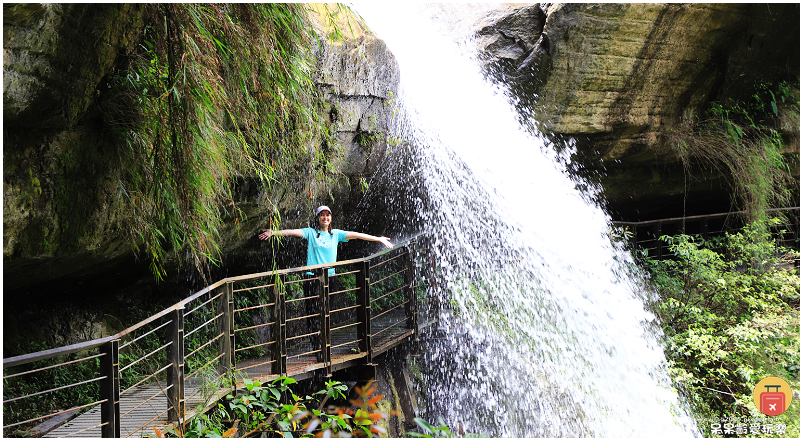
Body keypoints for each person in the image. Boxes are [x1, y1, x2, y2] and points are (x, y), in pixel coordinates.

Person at [258, 205, 393, 359]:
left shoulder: (336, 234)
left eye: (328, 215)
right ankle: (316, 347)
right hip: (311, 278)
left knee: (326, 312)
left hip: (329, 278)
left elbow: (357, 235)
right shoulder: (310, 233)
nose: (325, 218)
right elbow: (292, 232)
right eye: (322, 215)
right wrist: (273, 233)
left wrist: (378, 238)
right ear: (318, 218)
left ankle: (324, 345)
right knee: (312, 313)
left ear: (331, 218)